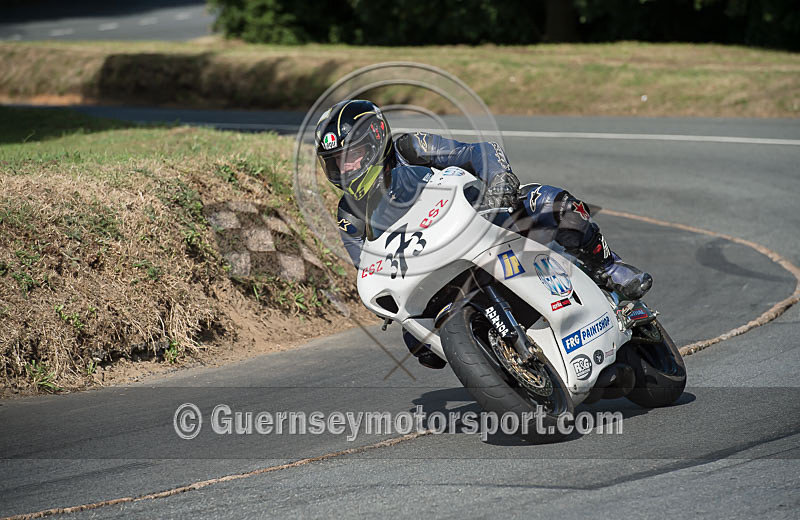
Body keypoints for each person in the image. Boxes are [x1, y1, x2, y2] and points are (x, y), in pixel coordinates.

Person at [315, 100, 652, 369]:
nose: (346, 169)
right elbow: (366, 264)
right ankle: (500, 363)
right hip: (433, 266)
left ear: (375, 141)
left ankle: (607, 267)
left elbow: (476, 152)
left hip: (487, 221)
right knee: (419, 344)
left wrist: (499, 178)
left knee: (554, 204)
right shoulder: (349, 214)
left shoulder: (410, 148)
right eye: (336, 163)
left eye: (352, 157)